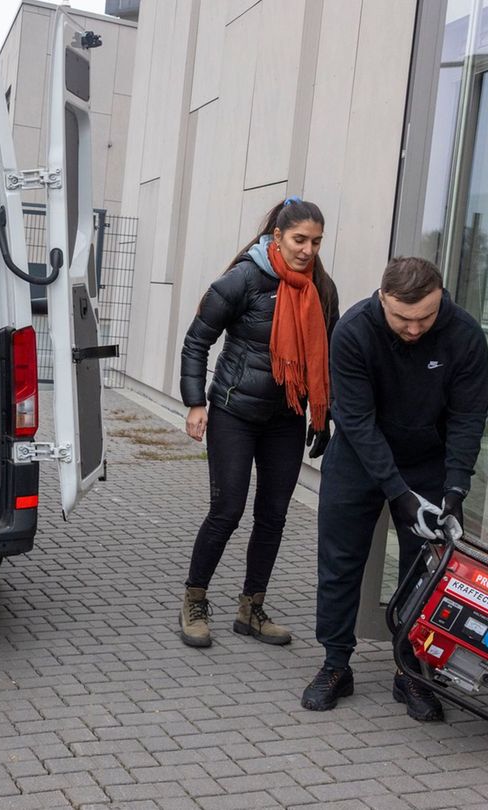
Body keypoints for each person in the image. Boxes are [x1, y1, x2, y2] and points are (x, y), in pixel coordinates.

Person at [301, 256, 488, 721]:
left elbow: (468, 417)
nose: (413, 328)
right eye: (402, 317)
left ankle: (412, 670)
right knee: (341, 558)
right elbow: (358, 421)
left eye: (425, 317)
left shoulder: (464, 335)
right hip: (358, 456)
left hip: (428, 457)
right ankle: (335, 663)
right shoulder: (353, 331)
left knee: (426, 569)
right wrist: (397, 493)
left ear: (440, 297)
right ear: (382, 297)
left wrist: (456, 486)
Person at [177, 198, 339, 648]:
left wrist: (325, 416)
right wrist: (195, 402)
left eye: (316, 242)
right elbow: (197, 341)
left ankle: (251, 608)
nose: (307, 250)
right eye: (299, 240)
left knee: (273, 516)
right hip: (233, 412)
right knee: (227, 512)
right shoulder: (243, 278)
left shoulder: (322, 289)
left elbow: (330, 359)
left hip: (286, 417)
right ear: (279, 235)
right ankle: (194, 600)